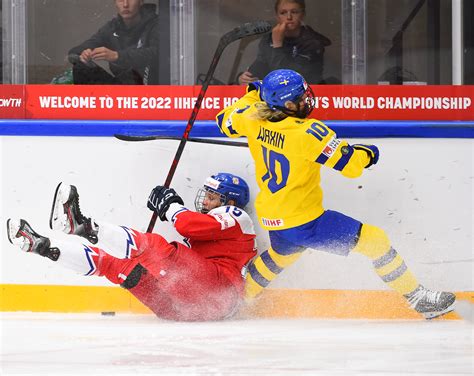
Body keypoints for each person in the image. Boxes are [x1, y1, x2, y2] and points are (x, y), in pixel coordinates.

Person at [216, 68, 456, 319]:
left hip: (273, 217)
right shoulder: (308, 133)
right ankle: (417, 297)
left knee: (279, 256)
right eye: (300, 97)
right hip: (305, 221)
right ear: (287, 104)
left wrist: (252, 95)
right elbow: (351, 166)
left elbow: (225, 120)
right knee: (376, 241)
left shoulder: (252, 118)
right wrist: (367, 153)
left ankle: (236, 303)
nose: (306, 99)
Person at [6, 173, 257, 321]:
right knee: (120, 266)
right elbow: (191, 225)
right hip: (182, 310)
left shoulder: (237, 217)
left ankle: (84, 226)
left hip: (219, 297)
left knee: (156, 248)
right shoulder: (213, 223)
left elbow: (187, 225)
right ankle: (43, 246)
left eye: (212, 197)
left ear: (230, 201)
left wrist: (169, 205)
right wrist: (171, 206)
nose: (205, 202)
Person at [238, 0, 331, 85]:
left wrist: (277, 44)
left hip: (305, 96)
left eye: (294, 12)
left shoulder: (313, 42)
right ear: (277, 17)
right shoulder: (269, 39)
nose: (289, 17)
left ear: (302, 14)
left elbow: (290, 80)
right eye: (283, 13)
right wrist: (242, 78)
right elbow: (259, 65)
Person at [68, 0, 159, 85]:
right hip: (121, 89)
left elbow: (157, 54)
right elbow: (76, 51)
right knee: (81, 67)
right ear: (115, 2)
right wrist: (84, 53)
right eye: (120, 0)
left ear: (141, 1)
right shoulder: (112, 27)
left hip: (151, 92)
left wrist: (117, 56)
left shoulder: (157, 24)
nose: (125, 5)